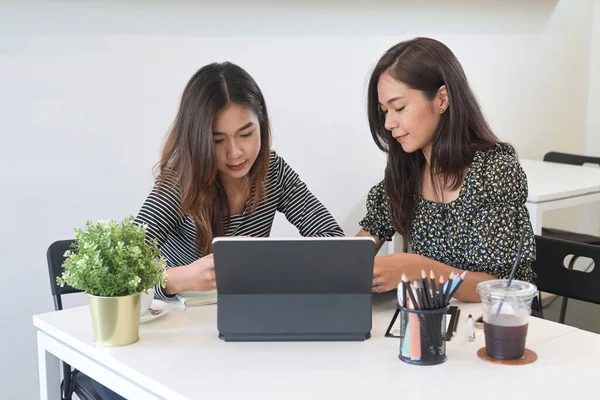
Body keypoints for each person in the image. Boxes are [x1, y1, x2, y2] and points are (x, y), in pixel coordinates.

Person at [135, 62, 345, 300]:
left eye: (246, 135)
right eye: (217, 141)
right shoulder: (180, 181)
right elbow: (123, 269)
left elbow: (332, 239)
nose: (235, 152)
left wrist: (267, 257)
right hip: (182, 318)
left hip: (247, 308)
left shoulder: (273, 171)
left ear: (262, 126)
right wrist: (179, 279)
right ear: (197, 140)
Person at [356, 37, 536, 302]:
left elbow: (497, 287)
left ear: (442, 99)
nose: (389, 123)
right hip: (432, 321)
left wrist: (416, 269)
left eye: (399, 107)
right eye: (384, 111)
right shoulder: (407, 170)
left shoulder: (495, 171)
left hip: (495, 326)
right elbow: (359, 247)